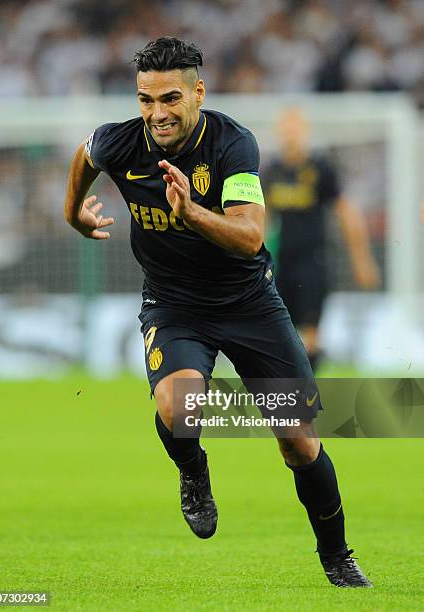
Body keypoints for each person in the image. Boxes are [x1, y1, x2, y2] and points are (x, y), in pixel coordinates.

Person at [64, 37, 372, 588]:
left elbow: (251, 237)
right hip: (174, 304)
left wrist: (189, 213)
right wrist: (74, 216)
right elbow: (85, 155)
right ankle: (194, 471)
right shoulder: (121, 142)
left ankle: (337, 556)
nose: (156, 113)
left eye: (170, 99)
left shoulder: (234, 144)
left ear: (198, 93)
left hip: (249, 303)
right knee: (178, 406)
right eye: (145, 100)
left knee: (298, 438)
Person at [263, 108, 380, 371]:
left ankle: (307, 398)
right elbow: (262, 218)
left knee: (311, 334)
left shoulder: (320, 169)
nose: (290, 135)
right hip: (281, 263)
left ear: (305, 132)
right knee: (282, 335)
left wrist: (361, 259)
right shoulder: (271, 172)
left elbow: (345, 212)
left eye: (295, 129)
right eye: (286, 129)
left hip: (312, 262)